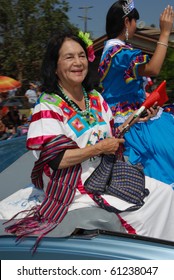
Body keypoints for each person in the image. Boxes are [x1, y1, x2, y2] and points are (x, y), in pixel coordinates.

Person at [3, 29, 174, 252]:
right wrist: (99, 148)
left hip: (105, 174)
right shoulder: (48, 105)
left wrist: (135, 120)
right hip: (72, 184)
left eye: (81, 56)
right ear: (54, 66)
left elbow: (110, 134)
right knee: (139, 211)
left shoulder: (95, 98)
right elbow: (56, 159)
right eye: (69, 57)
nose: (78, 62)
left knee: (164, 194)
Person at [98, 0, 174, 185]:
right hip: (129, 121)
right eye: (134, 22)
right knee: (161, 161)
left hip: (133, 114)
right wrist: (164, 32)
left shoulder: (113, 51)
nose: (135, 27)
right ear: (126, 22)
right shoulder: (118, 53)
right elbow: (153, 68)